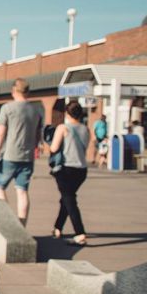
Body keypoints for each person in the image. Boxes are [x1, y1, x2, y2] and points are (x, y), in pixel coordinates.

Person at [0, 78, 43, 227]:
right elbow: (38, 135)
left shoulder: (7, 108)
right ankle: (22, 226)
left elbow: (0, 133)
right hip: (28, 157)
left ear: (14, 91)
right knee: (22, 191)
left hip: (9, 156)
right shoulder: (36, 111)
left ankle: (9, 222)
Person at [50, 101, 91, 246]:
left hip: (66, 169)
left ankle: (80, 233)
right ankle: (57, 228)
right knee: (66, 199)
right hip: (81, 170)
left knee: (70, 200)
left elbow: (54, 148)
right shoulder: (86, 129)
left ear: (67, 113)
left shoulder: (63, 128)